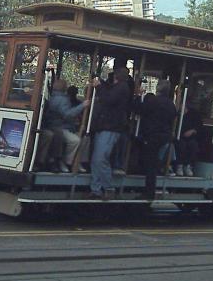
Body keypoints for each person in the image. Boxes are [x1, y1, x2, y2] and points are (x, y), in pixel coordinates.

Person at [89, 67, 131, 199]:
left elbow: (109, 100)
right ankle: (96, 189)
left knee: (100, 158)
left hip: (110, 127)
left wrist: (99, 87)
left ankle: (108, 187)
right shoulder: (121, 87)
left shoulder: (121, 88)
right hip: (106, 127)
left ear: (116, 76)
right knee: (97, 159)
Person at [135, 79, 177, 200]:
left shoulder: (153, 101)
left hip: (152, 135)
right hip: (164, 137)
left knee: (150, 164)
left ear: (158, 88)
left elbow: (139, 110)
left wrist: (138, 96)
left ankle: (149, 193)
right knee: (153, 161)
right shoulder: (171, 104)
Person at [47, 79, 90, 172]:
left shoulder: (52, 96)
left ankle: (76, 161)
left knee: (84, 138)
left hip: (57, 125)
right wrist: (82, 106)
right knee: (75, 140)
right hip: (61, 127)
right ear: (64, 88)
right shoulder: (62, 100)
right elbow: (67, 114)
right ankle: (66, 161)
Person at [175, 104, 203, 177]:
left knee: (193, 145)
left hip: (190, 138)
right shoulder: (177, 116)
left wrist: (192, 131)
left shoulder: (192, 116)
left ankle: (187, 166)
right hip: (179, 137)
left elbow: (198, 127)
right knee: (181, 145)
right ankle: (179, 166)